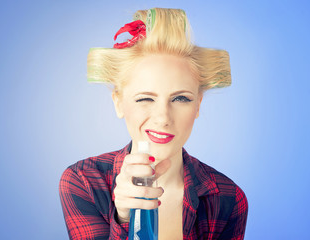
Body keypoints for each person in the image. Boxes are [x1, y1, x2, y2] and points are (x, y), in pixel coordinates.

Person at [59, 8, 248, 240]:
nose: (163, 118)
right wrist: (124, 219)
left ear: (198, 105)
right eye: (145, 98)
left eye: (181, 98)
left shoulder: (228, 198)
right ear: (118, 103)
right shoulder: (84, 181)